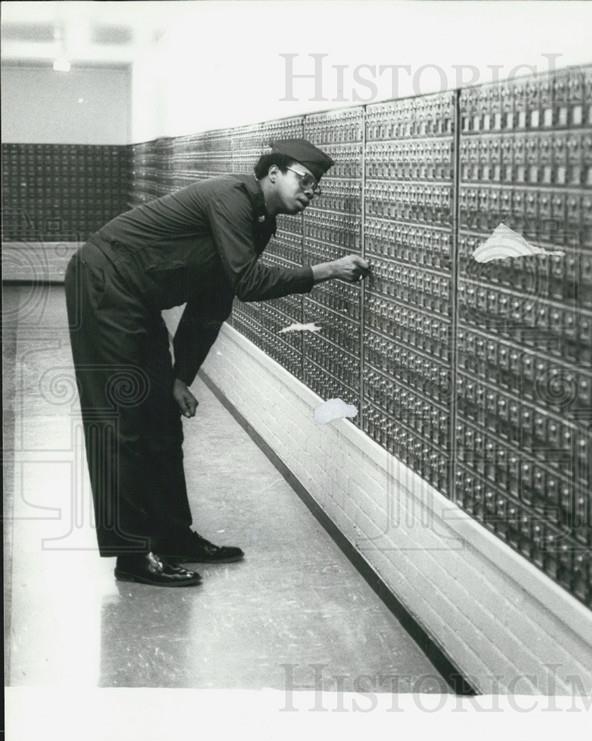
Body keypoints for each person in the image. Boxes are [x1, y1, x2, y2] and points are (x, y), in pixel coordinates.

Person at [63, 139, 370, 588]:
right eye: (304, 180)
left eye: (315, 187)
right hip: (104, 285)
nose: (310, 192)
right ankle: (131, 556)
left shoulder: (262, 222)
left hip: (135, 297)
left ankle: (172, 537)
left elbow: (212, 303)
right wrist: (323, 271)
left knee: (163, 419)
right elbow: (247, 281)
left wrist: (180, 377)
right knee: (123, 420)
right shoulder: (233, 198)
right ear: (272, 173)